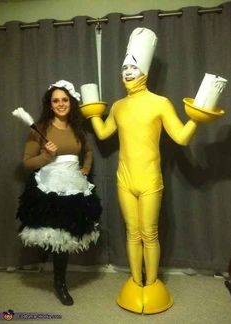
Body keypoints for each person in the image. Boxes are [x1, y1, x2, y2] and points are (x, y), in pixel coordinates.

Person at [83, 28, 199, 313]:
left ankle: (151, 282)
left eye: (133, 66)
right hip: (124, 178)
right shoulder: (119, 106)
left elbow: (182, 137)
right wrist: (91, 112)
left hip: (150, 180)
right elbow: (103, 134)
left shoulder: (160, 103)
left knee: (150, 233)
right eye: (124, 67)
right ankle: (136, 281)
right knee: (132, 232)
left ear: (144, 70)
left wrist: (197, 117)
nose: (127, 71)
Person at [16, 80, 102, 306]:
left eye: (65, 100)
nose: (61, 104)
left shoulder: (78, 128)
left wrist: (85, 168)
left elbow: (89, 152)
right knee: (55, 236)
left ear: (71, 103)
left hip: (75, 185)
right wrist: (45, 156)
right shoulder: (40, 128)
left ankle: (59, 280)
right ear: (50, 104)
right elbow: (26, 163)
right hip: (49, 186)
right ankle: (60, 283)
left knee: (67, 235)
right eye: (56, 100)